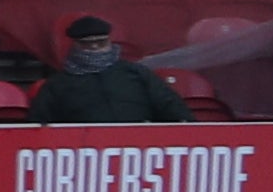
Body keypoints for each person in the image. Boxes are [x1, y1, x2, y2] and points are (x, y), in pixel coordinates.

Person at [24, 12, 186, 126]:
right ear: (75, 45)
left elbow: (171, 108)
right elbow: (39, 127)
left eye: (100, 42)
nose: (94, 47)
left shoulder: (136, 74)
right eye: (86, 44)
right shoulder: (56, 85)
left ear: (110, 42)